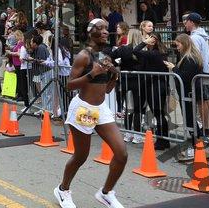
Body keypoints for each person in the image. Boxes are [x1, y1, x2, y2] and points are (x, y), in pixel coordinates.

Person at [54, 19, 127, 208]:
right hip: (83, 108)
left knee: (122, 154)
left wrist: (114, 76)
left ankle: (106, 193)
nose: (105, 31)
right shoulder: (83, 56)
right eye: (100, 28)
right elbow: (69, 85)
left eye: (106, 28)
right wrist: (92, 74)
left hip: (101, 109)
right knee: (81, 156)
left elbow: (108, 89)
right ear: (90, 32)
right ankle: (62, 190)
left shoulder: (105, 56)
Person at [164, 34, 203, 162]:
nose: (177, 48)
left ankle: (194, 146)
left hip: (188, 93)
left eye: (178, 45)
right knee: (190, 119)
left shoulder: (190, 58)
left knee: (190, 119)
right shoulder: (189, 57)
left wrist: (173, 68)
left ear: (184, 43)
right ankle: (196, 144)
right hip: (187, 92)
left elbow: (185, 76)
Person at [182, 12, 209, 136]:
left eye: (186, 21)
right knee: (207, 99)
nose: (185, 24)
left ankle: (206, 128)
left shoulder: (194, 38)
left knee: (201, 101)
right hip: (206, 70)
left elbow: (195, 56)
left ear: (191, 22)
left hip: (200, 72)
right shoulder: (203, 34)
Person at [133, 32, 171, 150]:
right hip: (157, 85)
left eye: (149, 38)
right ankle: (164, 140)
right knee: (159, 113)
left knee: (158, 113)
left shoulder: (154, 53)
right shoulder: (157, 53)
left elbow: (135, 51)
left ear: (153, 41)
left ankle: (162, 141)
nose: (146, 40)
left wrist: (144, 43)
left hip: (156, 86)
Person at [111, 29, 143, 142]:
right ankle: (137, 135)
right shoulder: (141, 50)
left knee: (129, 109)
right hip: (138, 82)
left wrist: (118, 63)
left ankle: (128, 133)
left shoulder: (123, 49)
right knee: (137, 109)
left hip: (125, 81)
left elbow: (111, 58)